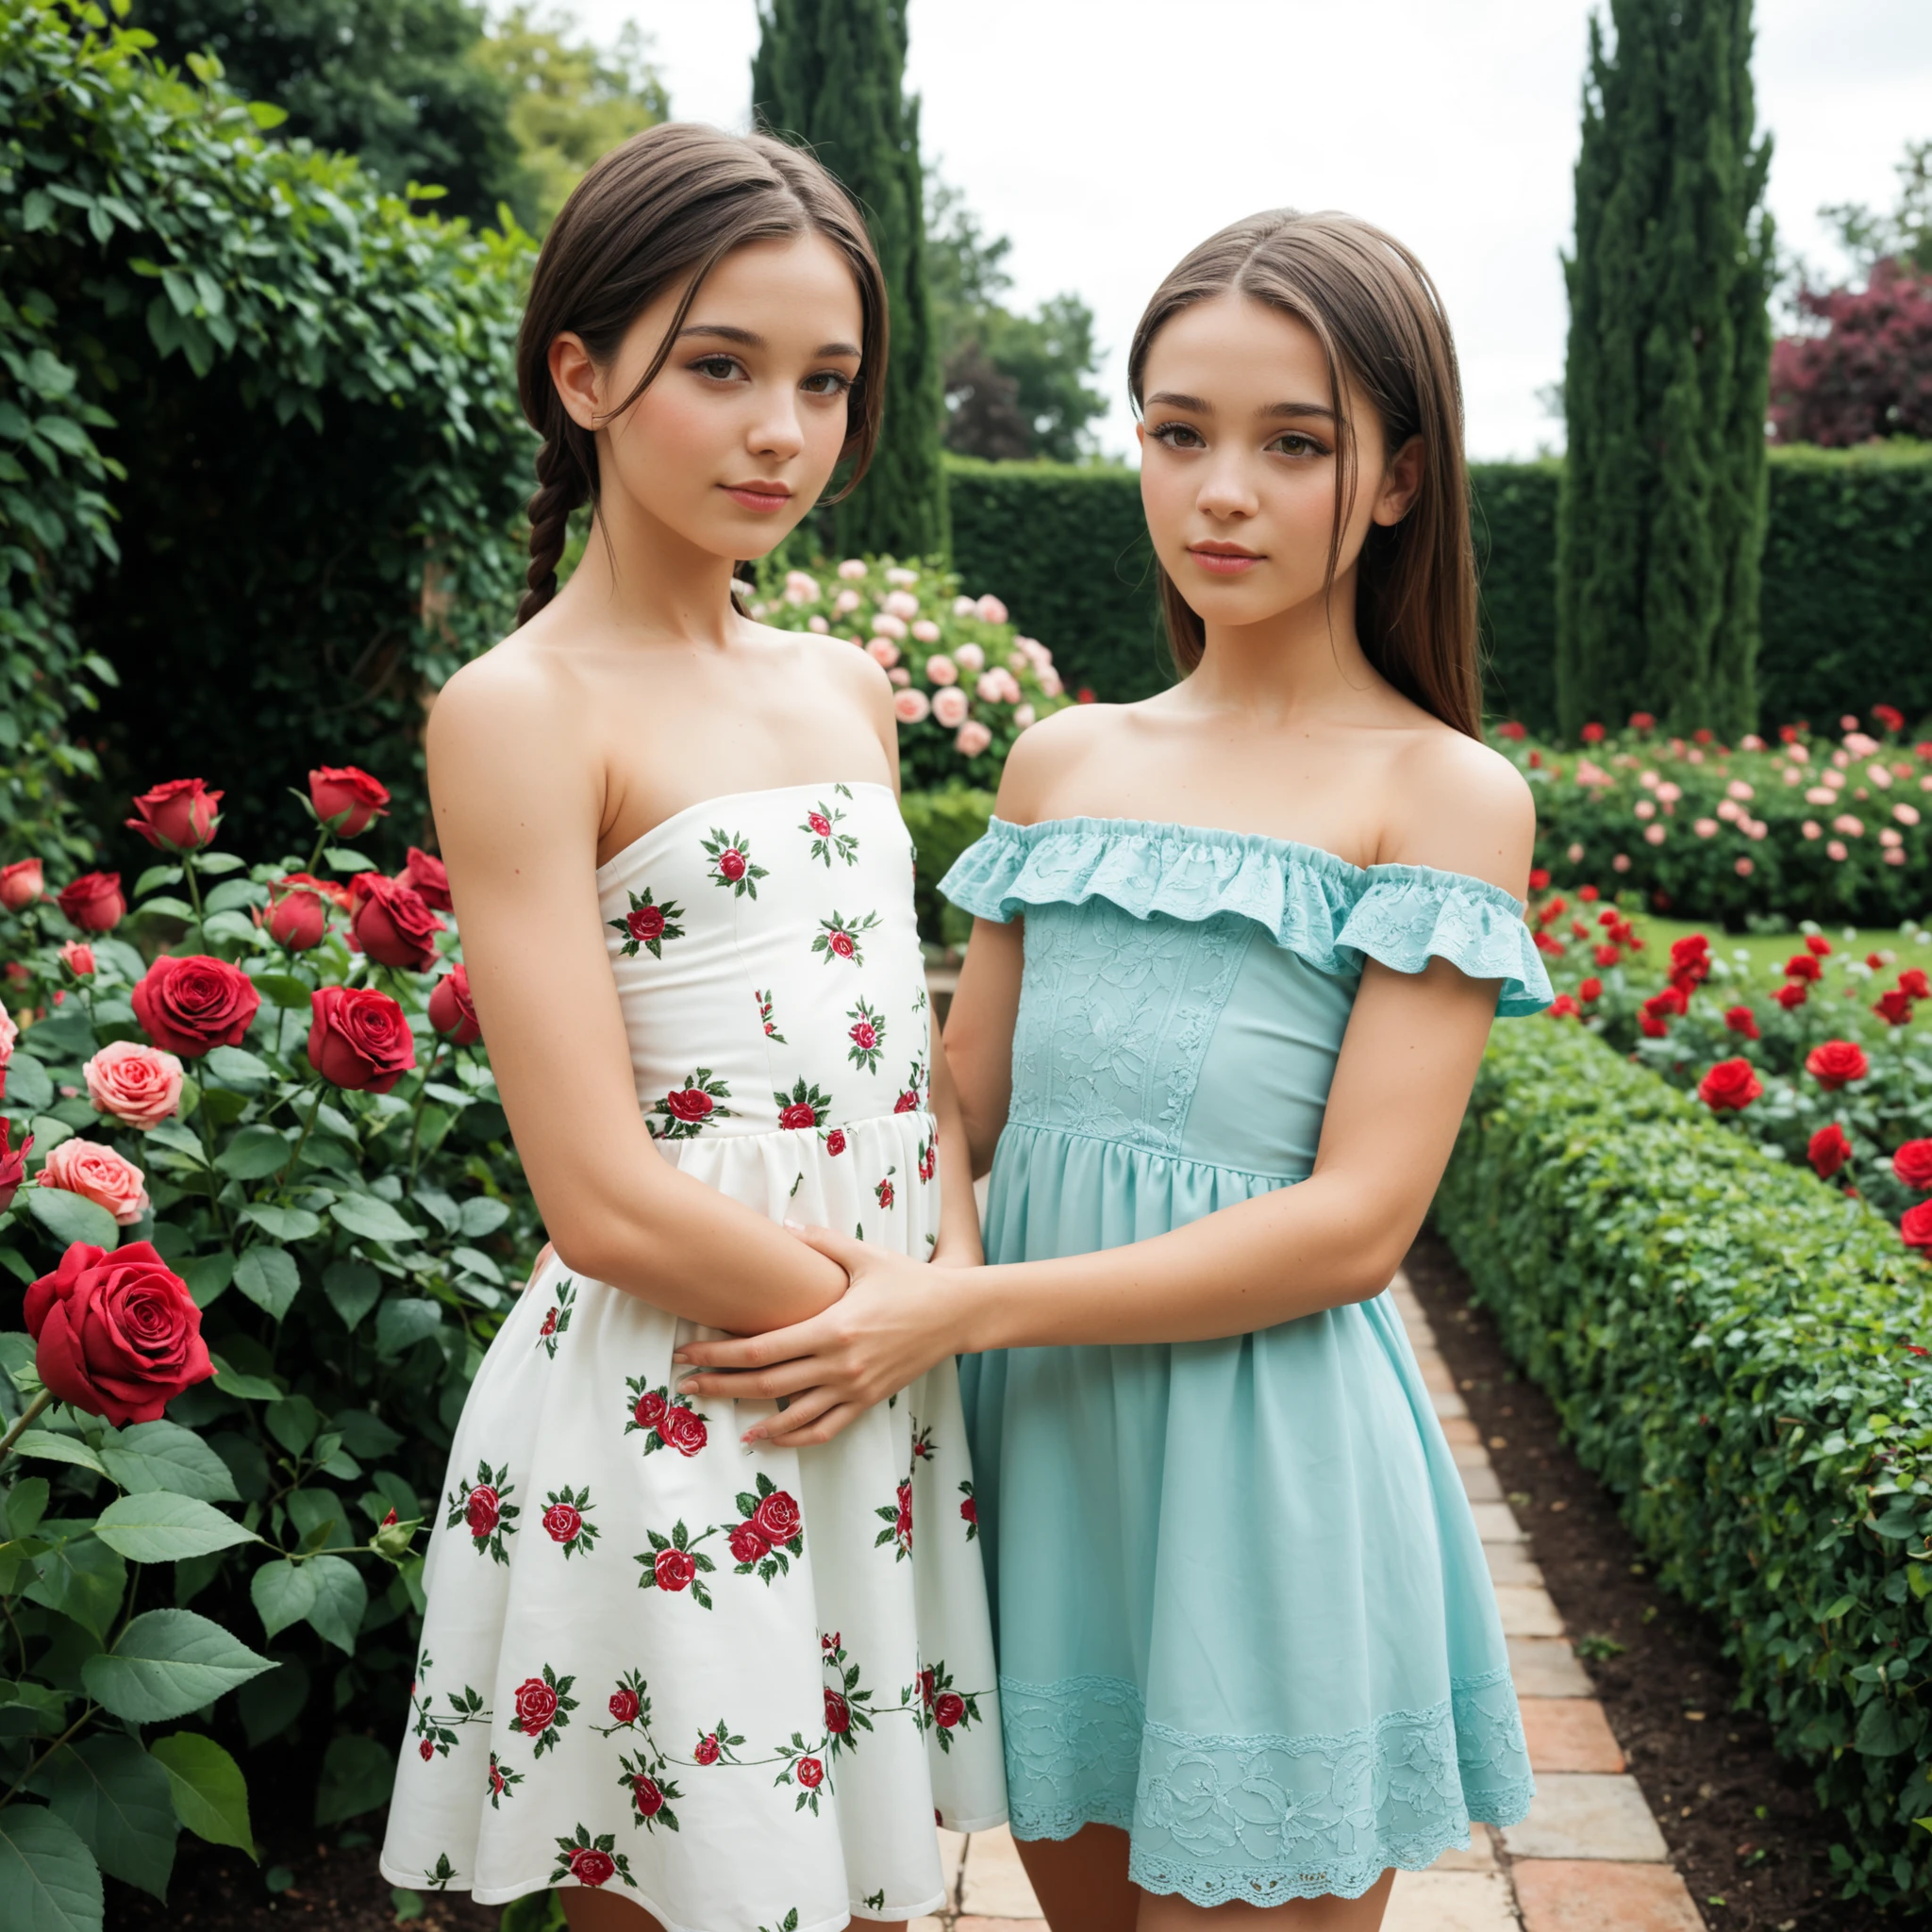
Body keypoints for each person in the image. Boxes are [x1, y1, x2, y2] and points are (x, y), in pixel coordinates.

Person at [672, 209, 1551, 1930]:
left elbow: (1357, 1229)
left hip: (1267, 1465)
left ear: (1394, 481)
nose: (1221, 488)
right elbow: (953, 1102)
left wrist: (957, 1311)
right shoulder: (1061, 762)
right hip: (1043, 1456)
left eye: (1293, 443)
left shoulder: (1444, 796)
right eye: (1177, 431)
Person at [378, 124, 1005, 1932]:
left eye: (825, 383)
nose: (781, 433)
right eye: (720, 368)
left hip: (880, 1370)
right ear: (580, 373)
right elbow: (596, 1193)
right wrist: (884, 1321)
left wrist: (944, 1283)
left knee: (870, 1893)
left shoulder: (845, 685)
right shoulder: (520, 709)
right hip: (691, 1393)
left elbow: (907, 1050)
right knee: (689, 1886)